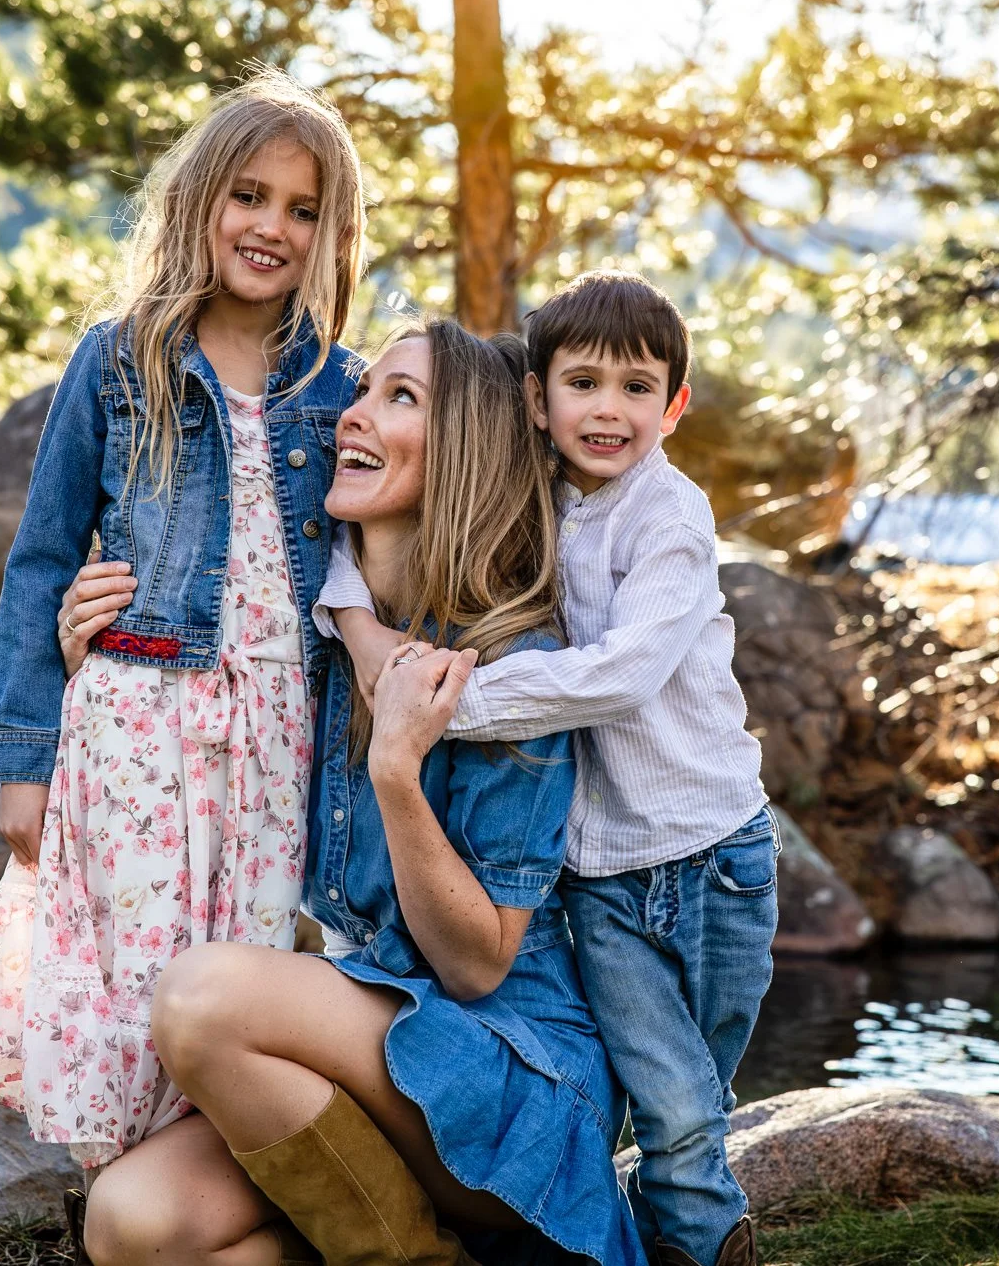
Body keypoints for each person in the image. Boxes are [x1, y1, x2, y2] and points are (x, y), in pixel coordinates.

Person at [58, 321, 647, 1266]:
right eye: (366, 388)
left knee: (205, 999)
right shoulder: (314, 634)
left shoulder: (510, 665)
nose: (353, 416)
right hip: (361, 1057)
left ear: (469, 452)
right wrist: (98, 659)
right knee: (134, 1221)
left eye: (401, 398)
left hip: (510, 1074)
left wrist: (396, 773)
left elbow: (477, 966)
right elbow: (189, 751)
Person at [0, 69, 368, 1169]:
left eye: (303, 210)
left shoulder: (340, 384)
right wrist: (22, 760)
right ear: (199, 199)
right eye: (249, 195)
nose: (271, 227)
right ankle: (117, 1203)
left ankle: (208, 1199)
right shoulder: (119, 359)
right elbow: (36, 564)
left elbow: (374, 566)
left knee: (240, 973)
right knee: (129, 978)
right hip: (134, 723)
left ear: (331, 233)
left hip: (277, 739)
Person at [323, 271, 778, 1266]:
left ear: (675, 406)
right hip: (603, 880)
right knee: (665, 1105)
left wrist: (443, 711)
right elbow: (359, 543)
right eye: (582, 384)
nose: (607, 410)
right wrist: (359, 633)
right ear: (537, 401)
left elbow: (623, 676)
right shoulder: (534, 490)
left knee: (688, 1112)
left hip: (711, 861)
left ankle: (700, 1245)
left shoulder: (669, 519)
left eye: (635, 388)